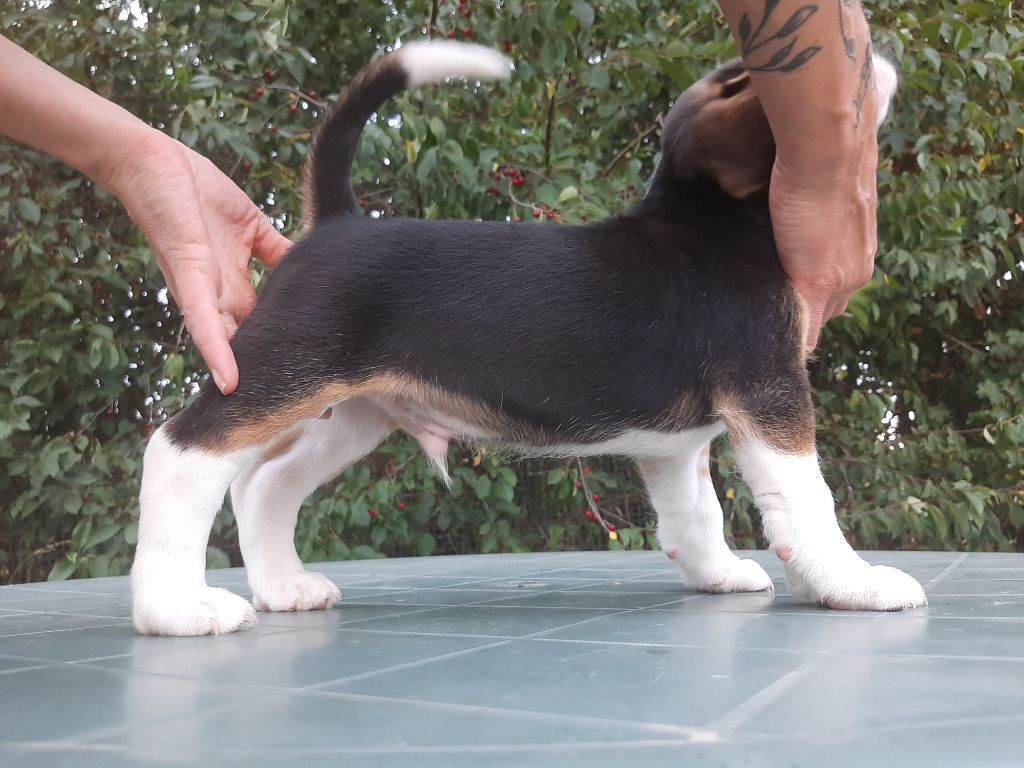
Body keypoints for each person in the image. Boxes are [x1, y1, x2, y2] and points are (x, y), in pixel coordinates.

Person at [0, 1, 880, 392]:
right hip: (370, 266)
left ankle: (264, 547)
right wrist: (827, 158)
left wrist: (135, 153)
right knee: (257, 410)